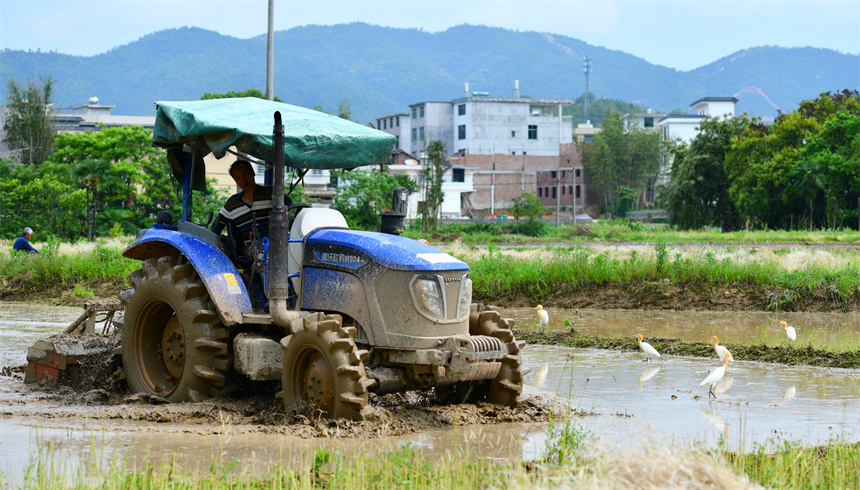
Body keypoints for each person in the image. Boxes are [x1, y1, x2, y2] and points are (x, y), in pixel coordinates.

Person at [211, 160, 288, 310]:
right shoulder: (232, 204)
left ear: (253, 172)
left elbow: (288, 202)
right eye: (238, 178)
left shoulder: (270, 193)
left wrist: (286, 207)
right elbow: (216, 227)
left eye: (245, 175)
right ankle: (270, 298)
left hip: (277, 241)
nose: (242, 180)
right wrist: (217, 242)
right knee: (260, 253)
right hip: (250, 246)